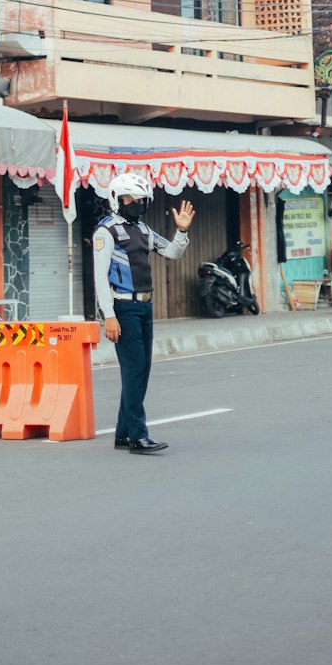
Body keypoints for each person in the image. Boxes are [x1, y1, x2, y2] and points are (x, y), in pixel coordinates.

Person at [92, 173, 195, 455]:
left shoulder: (144, 230)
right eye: (131, 199)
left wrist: (182, 231)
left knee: (141, 372)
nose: (137, 203)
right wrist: (108, 316)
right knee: (134, 372)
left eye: (141, 199)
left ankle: (124, 433)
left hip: (144, 307)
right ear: (117, 199)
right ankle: (139, 436)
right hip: (123, 308)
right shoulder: (106, 232)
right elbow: (100, 278)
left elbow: (172, 253)